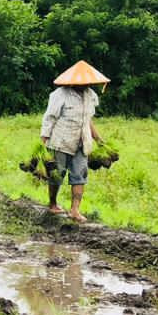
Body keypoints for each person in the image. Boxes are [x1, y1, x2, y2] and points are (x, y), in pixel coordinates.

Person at [40, 61, 108, 223]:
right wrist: (42, 142)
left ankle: (74, 210)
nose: (85, 84)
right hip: (61, 142)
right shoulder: (60, 95)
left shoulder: (91, 96)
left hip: (82, 143)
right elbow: (49, 118)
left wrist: (98, 139)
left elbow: (88, 120)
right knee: (57, 176)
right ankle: (53, 203)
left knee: (80, 176)